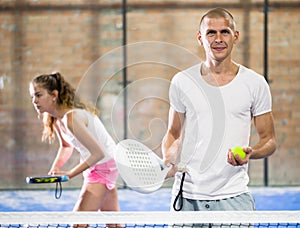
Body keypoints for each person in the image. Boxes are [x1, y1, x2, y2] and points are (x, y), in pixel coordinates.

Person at [162, 8, 276, 213]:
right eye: (211, 33)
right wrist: (169, 158)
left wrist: (252, 152)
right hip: (186, 196)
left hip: (233, 198)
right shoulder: (182, 81)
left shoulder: (255, 83)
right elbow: (173, 132)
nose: (218, 39)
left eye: (225, 32)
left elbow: (269, 140)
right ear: (200, 38)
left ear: (236, 36)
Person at [29, 72, 120, 227]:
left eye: (38, 95)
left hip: (103, 167)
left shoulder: (71, 118)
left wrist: (69, 174)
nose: (34, 101)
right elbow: (66, 146)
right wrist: (56, 167)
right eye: (32, 96)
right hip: (103, 165)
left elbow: (98, 153)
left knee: (77, 224)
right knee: (114, 224)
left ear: (54, 95)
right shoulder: (56, 120)